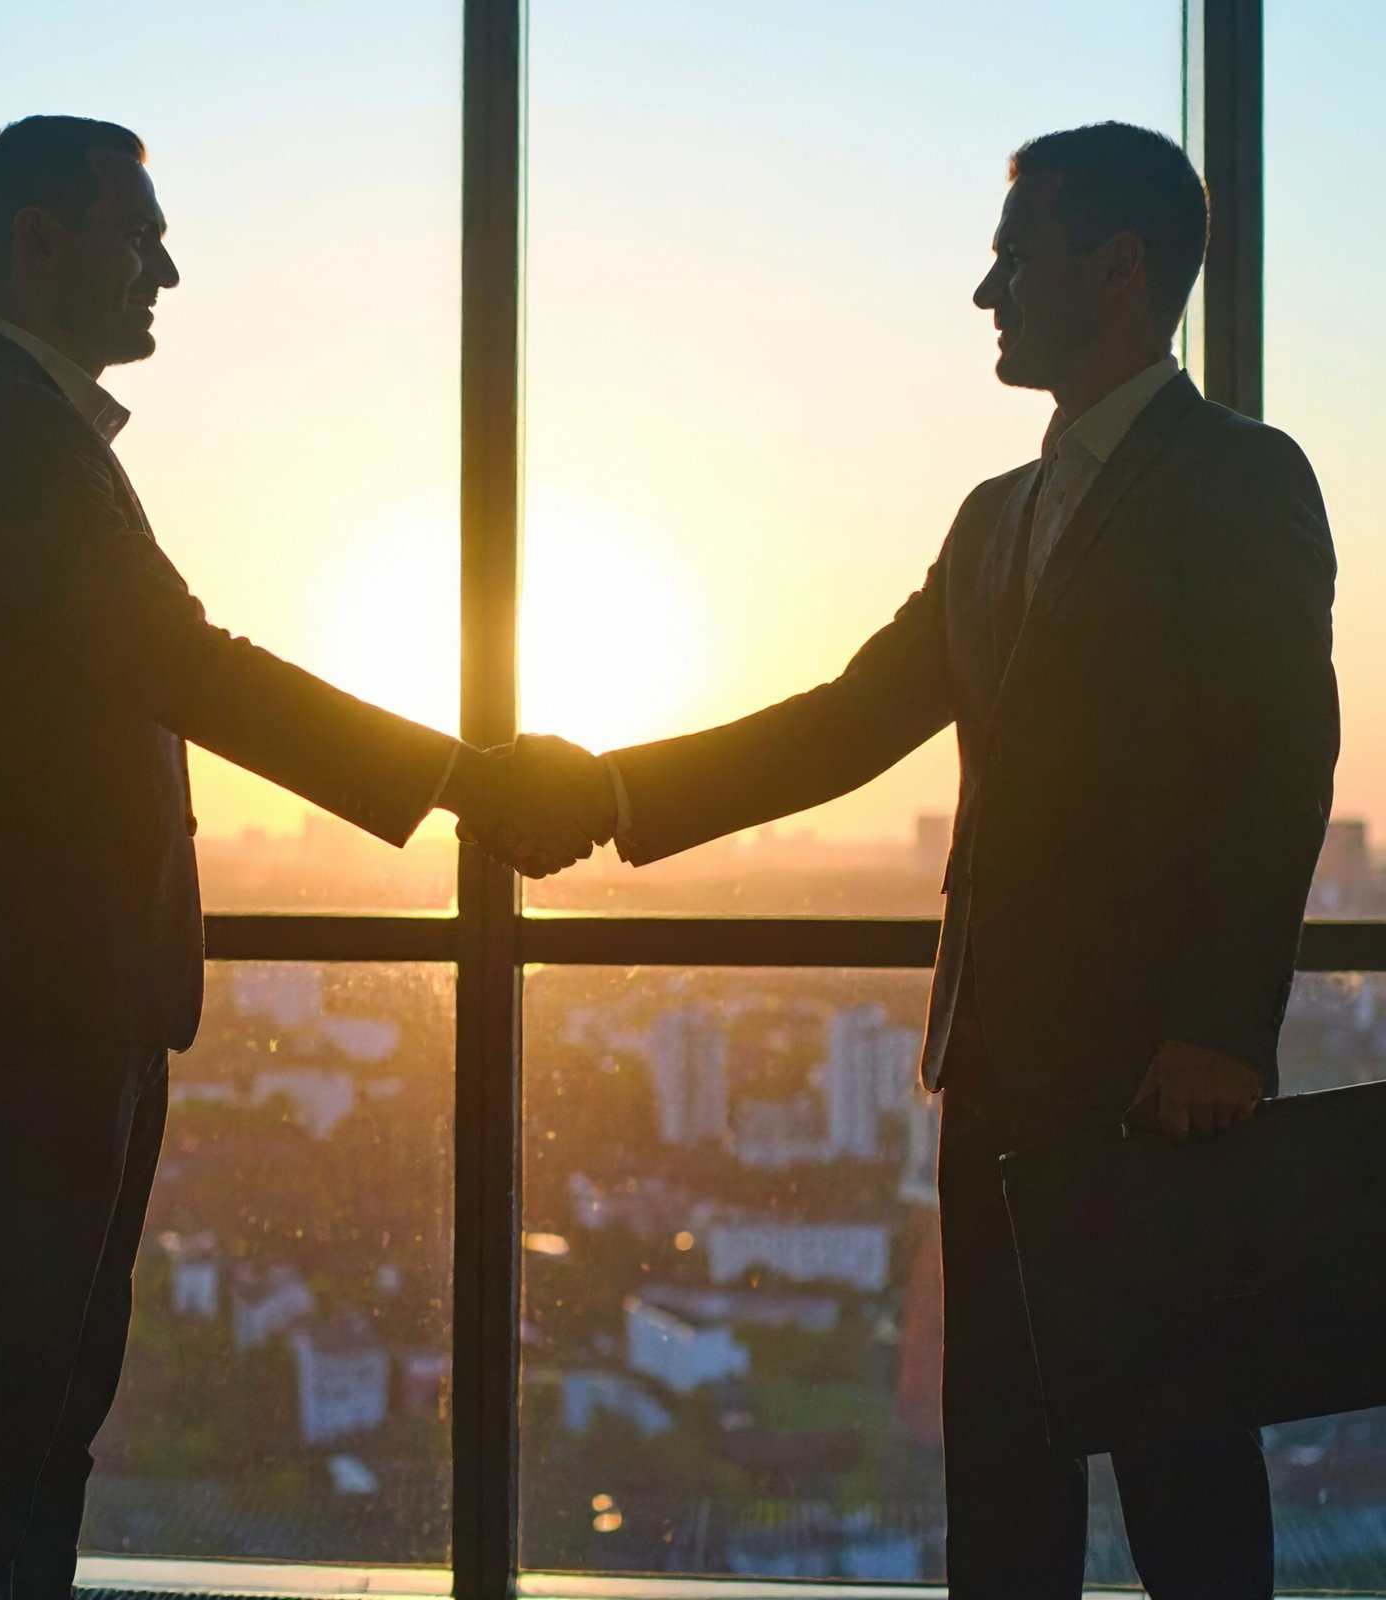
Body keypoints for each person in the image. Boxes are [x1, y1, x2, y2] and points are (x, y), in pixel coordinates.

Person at [498, 123, 1338, 1598]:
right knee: (1000, 1471)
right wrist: (613, 793)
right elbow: (848, 724)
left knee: (1185, 1477)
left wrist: (1220, 1031)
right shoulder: (992, 518)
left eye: (1015, 256)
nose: (986, 292)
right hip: (998, 1065)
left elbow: (1281, 765)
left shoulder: (1244, 479)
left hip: (1159, 1082)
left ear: (1119, 267)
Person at [0, 114, 610, 1598]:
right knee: (7, 1390)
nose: (169, 270)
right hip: (34, 991)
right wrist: (465, 780)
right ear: (40, 242)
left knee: (38, 1384)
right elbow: (188, 665)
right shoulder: (1, 438)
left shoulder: (10, 432)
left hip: (53, 984)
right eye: (140, 234)